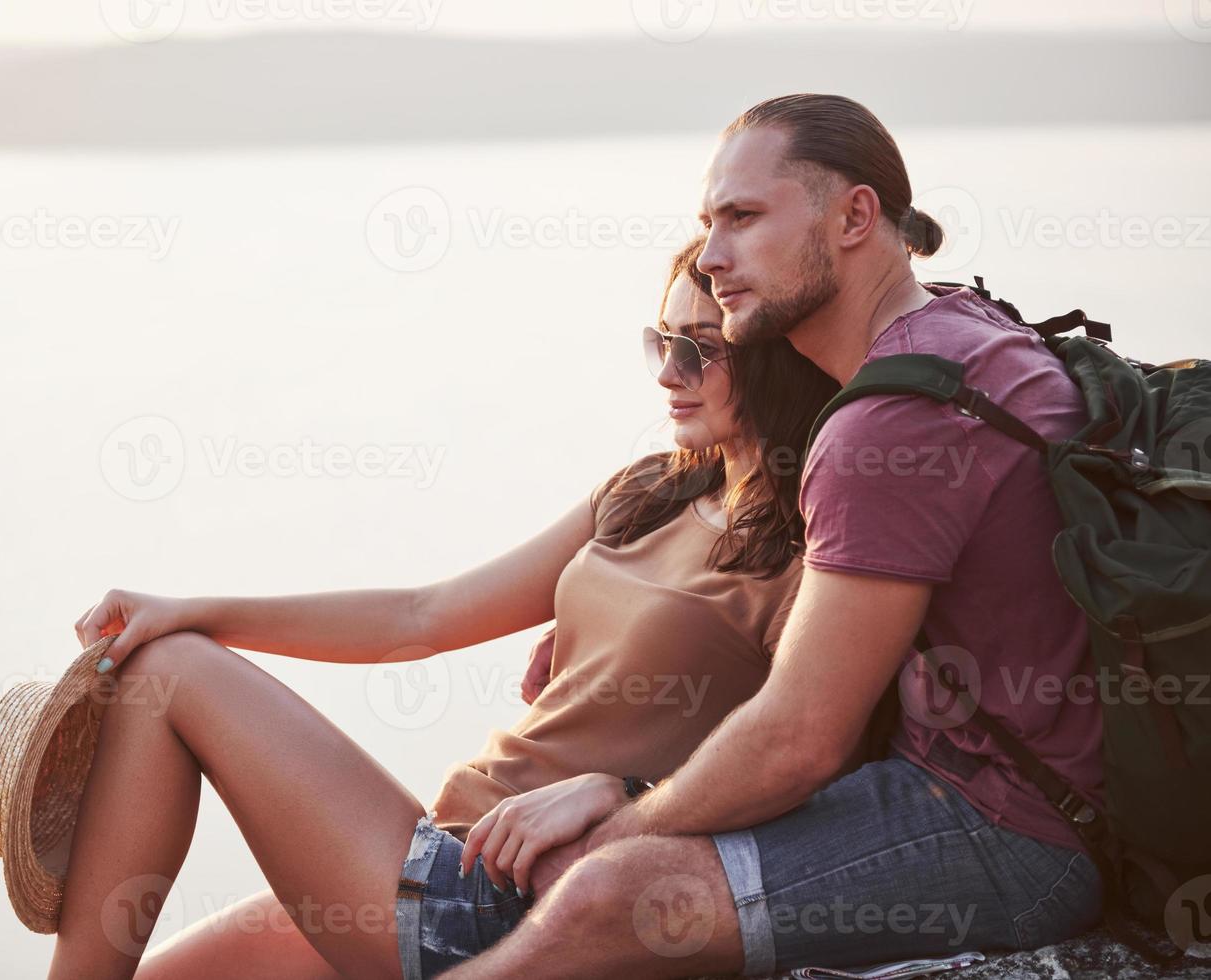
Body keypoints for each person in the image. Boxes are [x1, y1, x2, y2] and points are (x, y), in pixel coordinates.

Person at [46, 236, 841, 979]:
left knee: (171, 670)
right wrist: (193, 607)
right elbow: (420, 617)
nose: (670, 372)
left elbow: (811, 774)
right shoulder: (647, 490)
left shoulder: (815, 557)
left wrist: (623, 792)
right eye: (661, 342)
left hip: (509, 906)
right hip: (437, 849)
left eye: (700, 348)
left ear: (773, 351)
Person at [441, 93, 1108, 980]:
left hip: (1005, 834)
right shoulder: (963, 327)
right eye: (708, 224)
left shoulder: (889, 422)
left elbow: (800, 739)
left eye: (744, 219)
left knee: (607, 891)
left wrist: (615, 823)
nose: (713, 258)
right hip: (1005, 786)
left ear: (854, 216)